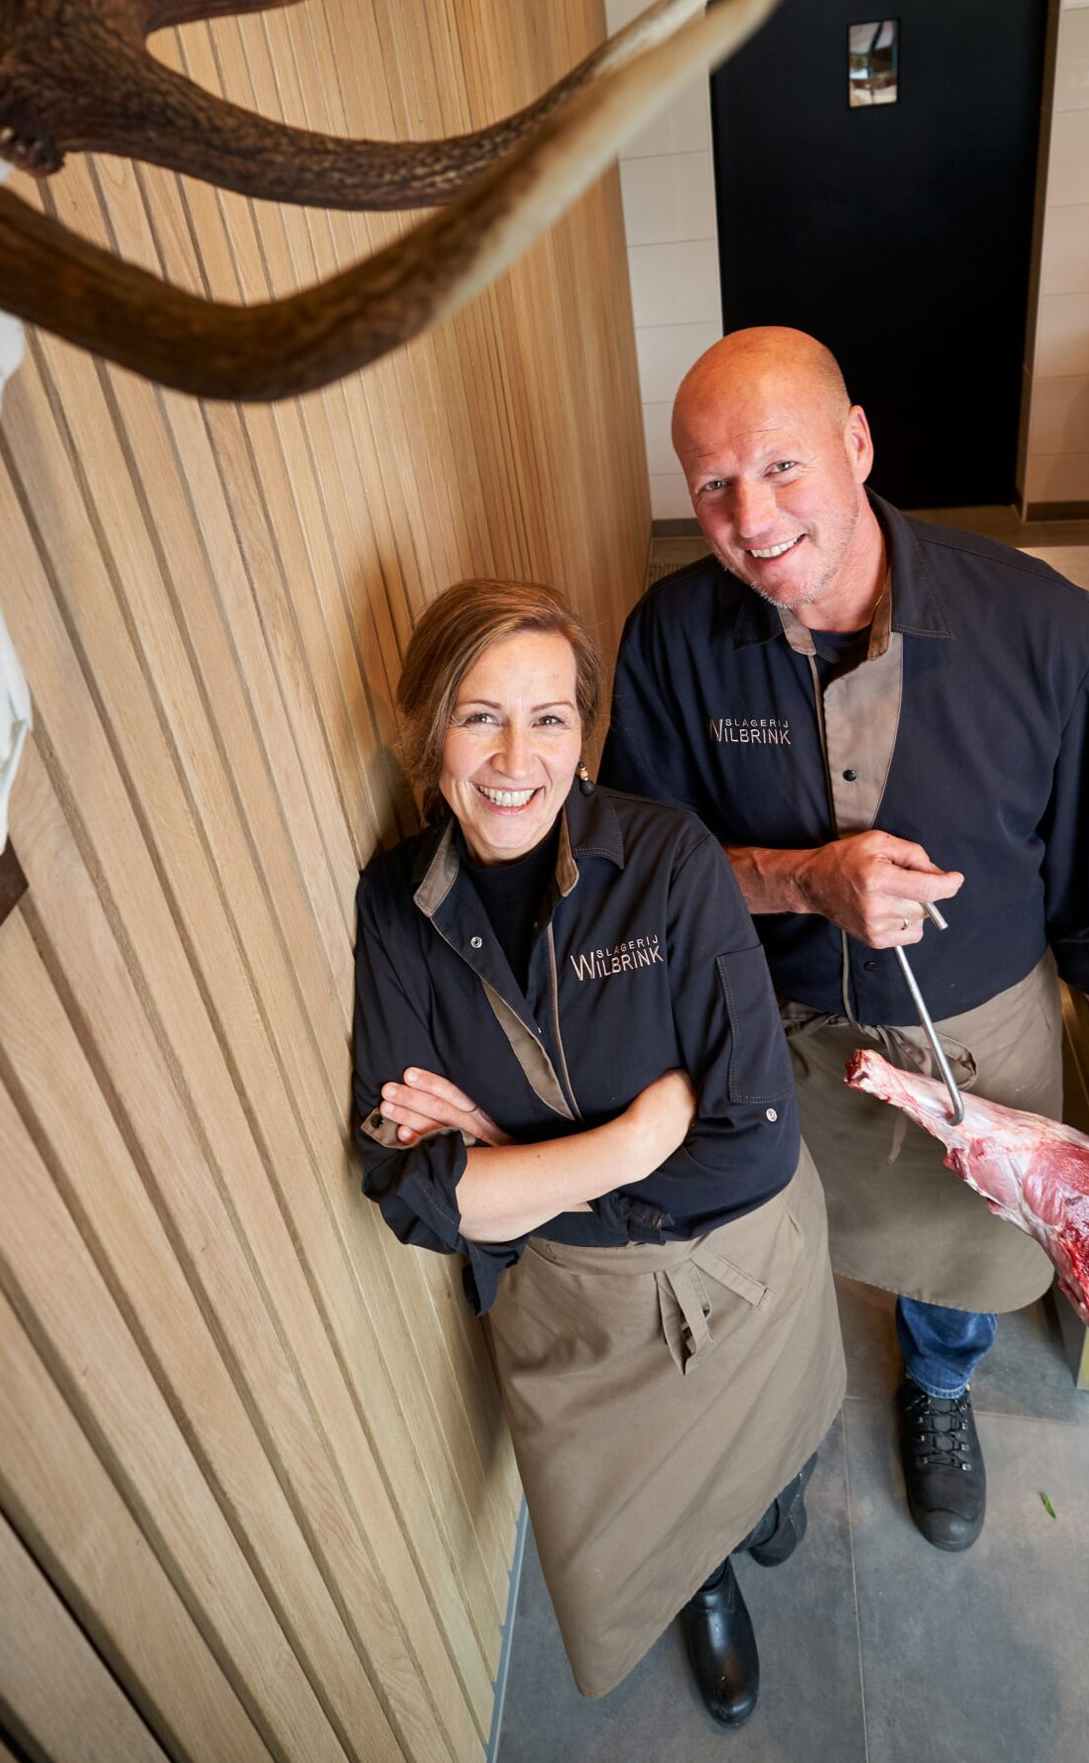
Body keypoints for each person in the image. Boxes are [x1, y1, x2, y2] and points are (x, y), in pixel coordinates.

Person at [601, 327, 1089, 1553]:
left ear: (856, 442)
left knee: (959, 1274)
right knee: (771, 1265)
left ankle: (941, 1386)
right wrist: (802, 880)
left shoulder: (1042, 627)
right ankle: (785, 1422)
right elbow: (638, 879)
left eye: (782, 467)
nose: (752, 521)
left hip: (978, 1054)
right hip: (768, 1043)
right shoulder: (670, 639)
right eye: (713, 486)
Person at [352, 579, 845, 1729]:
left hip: (739, 1255)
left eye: (549, 718)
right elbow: (412, 1193)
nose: (514, 758)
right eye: (479, 716)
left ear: (584, 736)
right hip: (576, 1309)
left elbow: (753, 1145)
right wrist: (632, 1138)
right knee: (649, 1509)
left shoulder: (668, 858)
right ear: (428, 729)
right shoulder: (393, 904)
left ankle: (761, 1497)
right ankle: (699, 1575)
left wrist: (515, 1164)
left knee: (771, 1438)